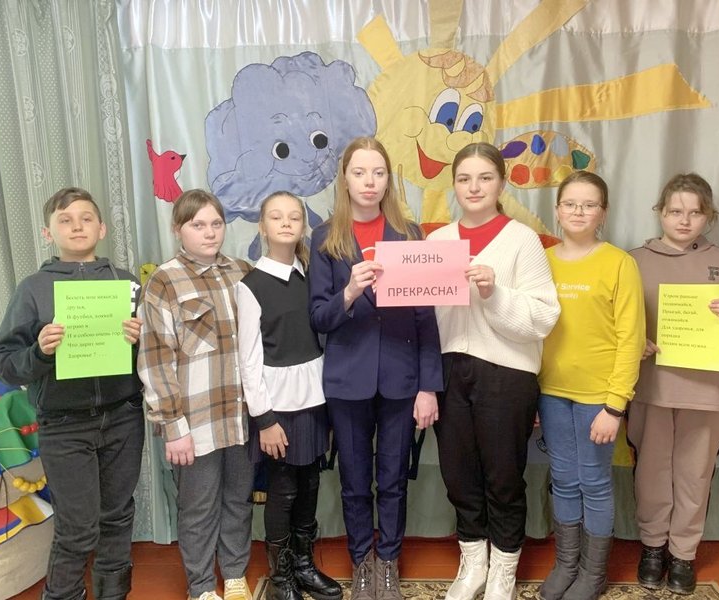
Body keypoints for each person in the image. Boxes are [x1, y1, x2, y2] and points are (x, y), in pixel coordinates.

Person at [0, 187, 145, 600]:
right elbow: (2, 362)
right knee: (77, 527)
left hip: (124, 417)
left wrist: (142, 341)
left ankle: (113, 593)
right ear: (48, 233)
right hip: (63, 425)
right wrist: (39, 352)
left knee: (117, 515)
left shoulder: (126, 283)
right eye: (65, 220)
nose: (77, 226)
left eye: (86, 218)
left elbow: (156, 360)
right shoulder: (33, 289)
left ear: (102, 228)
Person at [309, 137, 443, 600]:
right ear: (345, 179)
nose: (369, 181)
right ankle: (361, 562)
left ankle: (388, 563)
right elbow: (319, 317)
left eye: (378, 173)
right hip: (348, 381)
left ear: (389, 180)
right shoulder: (325, 238)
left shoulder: (409, 234)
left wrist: (428, 386)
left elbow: (426, 316)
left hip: (402, 380)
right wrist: (348, 292)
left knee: (392, 479)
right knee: (353, 482)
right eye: (360, 172)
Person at [428, 142, 560, 600]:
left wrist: (494, 292)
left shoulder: (522, 240)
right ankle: (473, 564)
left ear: (501, 183)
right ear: (453, 185)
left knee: (503, 476)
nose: (474, 187)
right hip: (449, 370)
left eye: (484, 178)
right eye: (464, 179)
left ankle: (504, 567)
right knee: (458, 474)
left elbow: (543, 317)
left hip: (506, 375)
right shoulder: (436, 243)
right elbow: (424, 317)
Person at [628, 173, 719, 595]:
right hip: (651, 388)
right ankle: (653, 547)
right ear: (660, 213)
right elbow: (615, 326)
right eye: (675, 211)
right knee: (651, 472)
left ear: (708, 216)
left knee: (694, 474)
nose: (684, 220)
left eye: (695, 212)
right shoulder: (633, 261)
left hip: (707, 393)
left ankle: (683, 552)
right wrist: (636, 343)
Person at [137, 189, 254, 600]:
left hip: (240, 415)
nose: (209, 233)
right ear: (178, 230)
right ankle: (202, 586)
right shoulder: (164, 281)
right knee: (199, 506)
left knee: (238, 499)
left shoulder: (241, 271)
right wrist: (173, 426)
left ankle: (235, 574)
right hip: (195, 421)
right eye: (198, 225)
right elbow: (155, 359)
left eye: (216, 224)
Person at [536, 172, 646, 600]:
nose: (578, 212)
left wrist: (615, 406)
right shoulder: (543, 260)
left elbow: (631, 339)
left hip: (599, 398)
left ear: (603, 212)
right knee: (563, 479)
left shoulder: (619, 263)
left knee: (594, 482)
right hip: (552, 392)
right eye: (570, 204)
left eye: (589, 204)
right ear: (557, 210)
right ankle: (567, 565)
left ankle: (593, 574)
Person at [236, 191, 341, 600]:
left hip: (313, 401)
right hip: (277, 409)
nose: (285, 223)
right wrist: (264, 420)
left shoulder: (310, 277)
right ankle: (280, 579)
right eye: (276, 217)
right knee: (284, 490)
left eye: (294, 217)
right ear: (262, 227)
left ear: (303, 226)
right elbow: (248, 359)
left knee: (310, 483)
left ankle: (303, 565)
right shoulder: (251, 286)